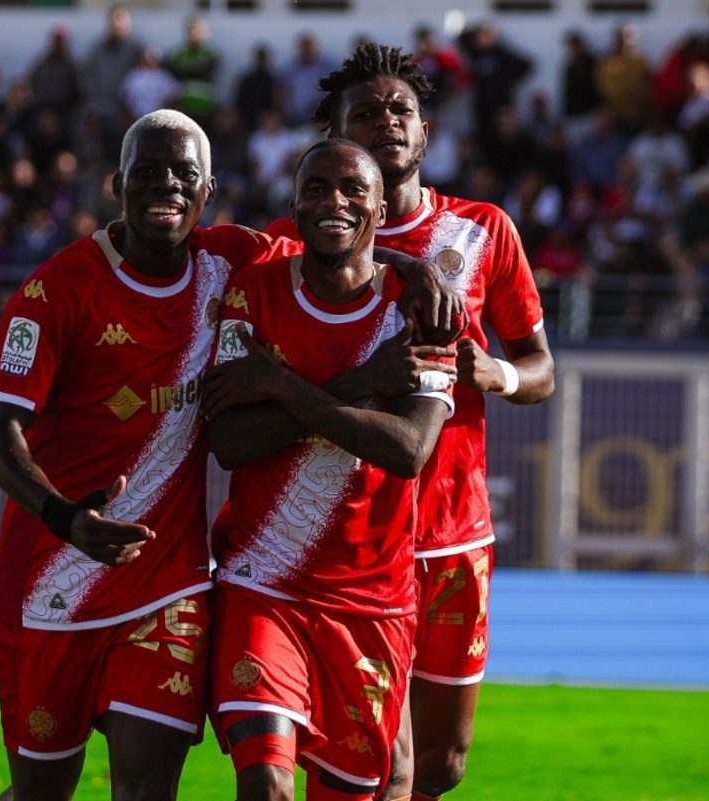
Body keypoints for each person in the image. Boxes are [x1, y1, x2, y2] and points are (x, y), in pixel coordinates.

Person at [0, 109, 459, 801]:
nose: (165, 186)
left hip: (164, 582)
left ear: (208, 194)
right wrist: (64, 517)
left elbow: (339, 232)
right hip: (57, 571)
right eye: (147, 172)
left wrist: (413, 268)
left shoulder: (230, 260)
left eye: (184, 175)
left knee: (149, 789)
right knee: (40, 792)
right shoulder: (53, 292)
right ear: (117, 184)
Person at [271, 43, 555, 801]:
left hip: (456, 528)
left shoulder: (483, 230)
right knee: (378, 759)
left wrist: (495, 372)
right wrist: (406, 266)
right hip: (350, 531)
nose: (386, 121)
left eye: (400, 110)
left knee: (441, 765)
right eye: (364, 112)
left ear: (425, 131)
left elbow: (541, 368)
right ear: (332, 134)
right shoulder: (300, 237)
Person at [204, 137, 455, 801]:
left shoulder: (423, 310)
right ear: (293, 202)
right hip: (263, 581)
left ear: (380, 208)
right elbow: (231, 439)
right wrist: (362, 386)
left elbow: (407, 450)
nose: (333, 203)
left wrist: (283, 385)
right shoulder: (251, 292)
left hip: (371, 596)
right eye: (316, 188)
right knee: (265, 784)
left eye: (352, 191)